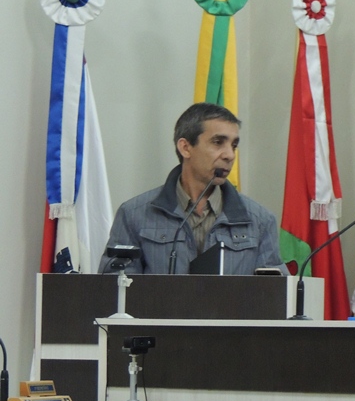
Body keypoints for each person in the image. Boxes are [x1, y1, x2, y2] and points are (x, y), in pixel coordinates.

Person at [98, 103, 287, 275]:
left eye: (234, 145)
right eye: (218, 142)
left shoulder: (260, 220)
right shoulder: (134, 214)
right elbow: (114, 289)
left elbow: (274, 293)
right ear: (185, 148)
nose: (230, 155)